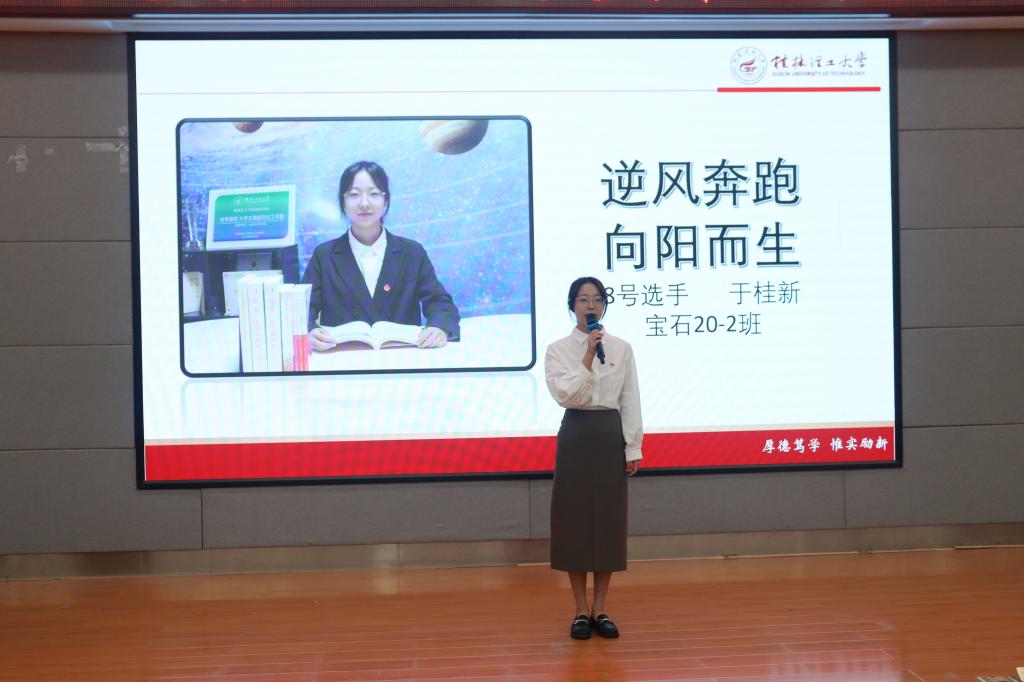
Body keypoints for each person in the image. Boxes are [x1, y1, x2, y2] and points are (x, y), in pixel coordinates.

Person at [544, 276, 642, 640]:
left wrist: (633, 446)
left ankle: (600, 608)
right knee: (575, 523)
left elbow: (630, 398)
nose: (591, 305)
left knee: (606, 524)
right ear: (572, 306)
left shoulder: (621, 347)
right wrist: (587, 354)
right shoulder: (557, 349)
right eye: (583, 299)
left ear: (604, 306)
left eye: (597, 299)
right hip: (576, 435)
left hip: (608, 435)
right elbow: (566, 396)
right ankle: (580, 610)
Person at [302, 160, 460, 350]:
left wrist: (439, 327)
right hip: (344, 357)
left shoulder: (412, 252)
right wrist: (308, 331)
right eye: (354, 194)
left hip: (403, 356)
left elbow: (439, 302)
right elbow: (303, 309)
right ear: (343, 202)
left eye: (374, 194)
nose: (364, 203)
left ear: (386, 201)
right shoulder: (324, 255)